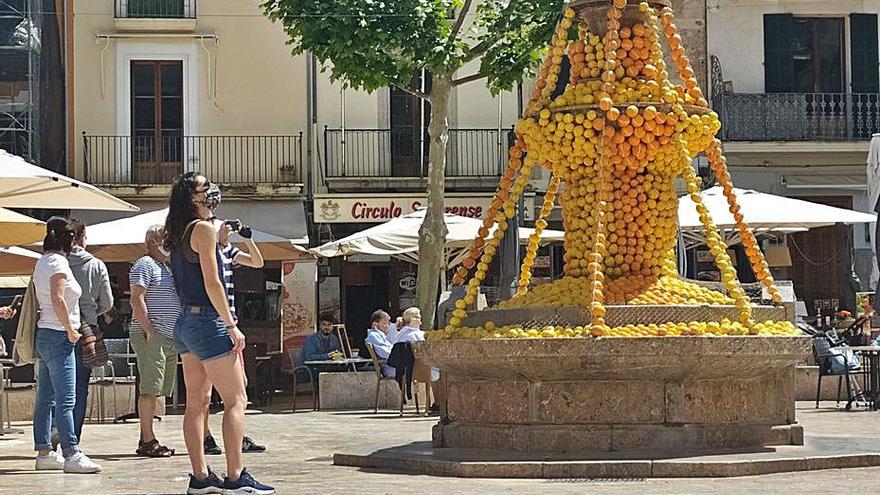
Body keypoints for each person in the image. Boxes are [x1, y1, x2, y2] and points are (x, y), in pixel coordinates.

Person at [164, 172, 274, 495]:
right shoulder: (203, 230)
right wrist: (230, 324)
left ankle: (199, 477)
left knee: (196, 403)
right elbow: (213, 283)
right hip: (209, 322)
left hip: (186, 323)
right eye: (204, 187)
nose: (212, 191)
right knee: (237, 399)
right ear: (193, 198)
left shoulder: (180, 232)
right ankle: (236, 476)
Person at [31, 217, 101, 473]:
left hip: (45, 334)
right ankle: (72, 453)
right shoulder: (59, 262)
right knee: (66, 399)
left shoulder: (41, 262)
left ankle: (44, 451)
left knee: (45, 398)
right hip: (60, 336)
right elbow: (59, 298)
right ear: (68, 239)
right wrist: (72, 330)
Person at [203, 218, 266, 456]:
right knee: (206, 388)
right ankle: (207, 437)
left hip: (230, 321)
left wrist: (248, 238)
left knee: (242, 383)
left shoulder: (230, 251)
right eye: (221, 226)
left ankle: (237, 435)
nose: (225, 229)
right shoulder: (207, 250)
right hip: (214, 320)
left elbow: (258, 263)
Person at [129, 225, 181, 458]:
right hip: (153, 335)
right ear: (153, 240)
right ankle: (148, 440)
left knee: (157, 389)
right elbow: (136, 298)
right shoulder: (144, 264)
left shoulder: (165, 267)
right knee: (149, 389)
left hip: (167, 336)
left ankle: (146, 438)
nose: (168, 242)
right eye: (165, 237)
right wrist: (149, 330)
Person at [66, 219, 114, 444]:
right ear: (82, 238)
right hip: (87, 330)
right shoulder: (96, 265)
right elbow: (107, 301)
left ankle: (56, 433)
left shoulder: (58, 261)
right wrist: (94, 311)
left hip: (59, 325)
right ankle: (73, 438)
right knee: (80, 386)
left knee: (57, 385)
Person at [365, 309, 395, 377]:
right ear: (375, 324)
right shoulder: (374, 336)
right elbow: (384, 353)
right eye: (384, 323)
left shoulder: (382, 336)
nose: (387, 326)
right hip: (388, 367)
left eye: (388, 323)